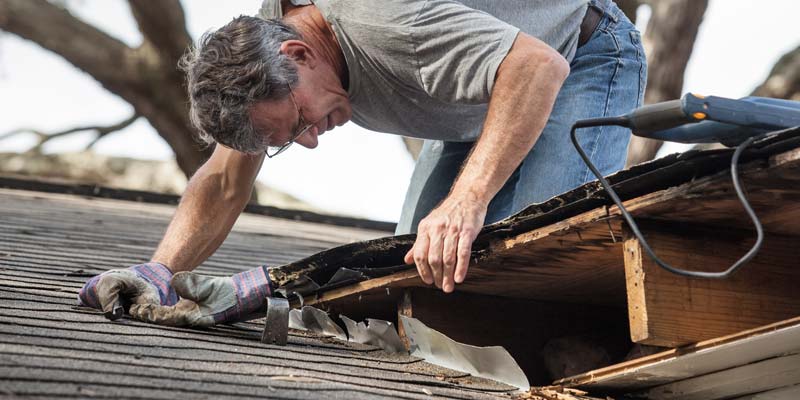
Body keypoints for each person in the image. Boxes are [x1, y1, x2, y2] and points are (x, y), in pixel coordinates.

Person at [78, 0, 646, 326]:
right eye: (288, 138)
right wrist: (159, 271)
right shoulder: (259, 52)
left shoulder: (390, 25)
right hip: (477, 99)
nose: (310, 141)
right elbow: (227, 179)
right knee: (420, 286)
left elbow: (535, 67)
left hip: (577, 57)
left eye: (300, 121)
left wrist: (467, 201)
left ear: (298, 55)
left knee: (535, 267)